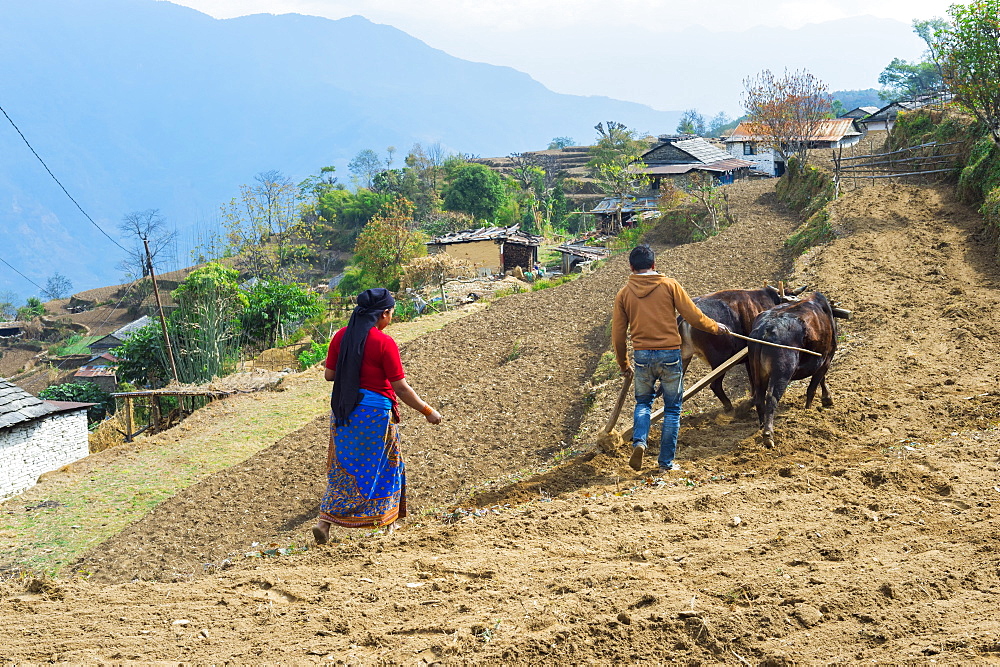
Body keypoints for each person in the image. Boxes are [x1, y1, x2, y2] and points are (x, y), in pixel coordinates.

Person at [313, 287, 442, 544]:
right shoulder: (384, 343)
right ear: (383, 314)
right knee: (387, 465)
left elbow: (329, 375)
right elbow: (401, 388)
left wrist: (352, 371)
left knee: (343, 468)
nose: (391, 318)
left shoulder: (341, 337)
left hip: (344, 413)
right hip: (375, 416)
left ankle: (324, 524)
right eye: (391, 313)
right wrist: (428, 411)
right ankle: (387, 526)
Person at [612, 245, 730, 474]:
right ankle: (665, 463)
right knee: (673, 409)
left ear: (631, 267)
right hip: (670, 355)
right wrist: (716, 327)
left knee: (643, 403)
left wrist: (624, 364)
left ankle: (639, 442)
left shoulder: (624, 294)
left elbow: (617, 333)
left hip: (643, 356)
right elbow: (694, 317)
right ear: (654, 265)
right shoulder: (669, 285)